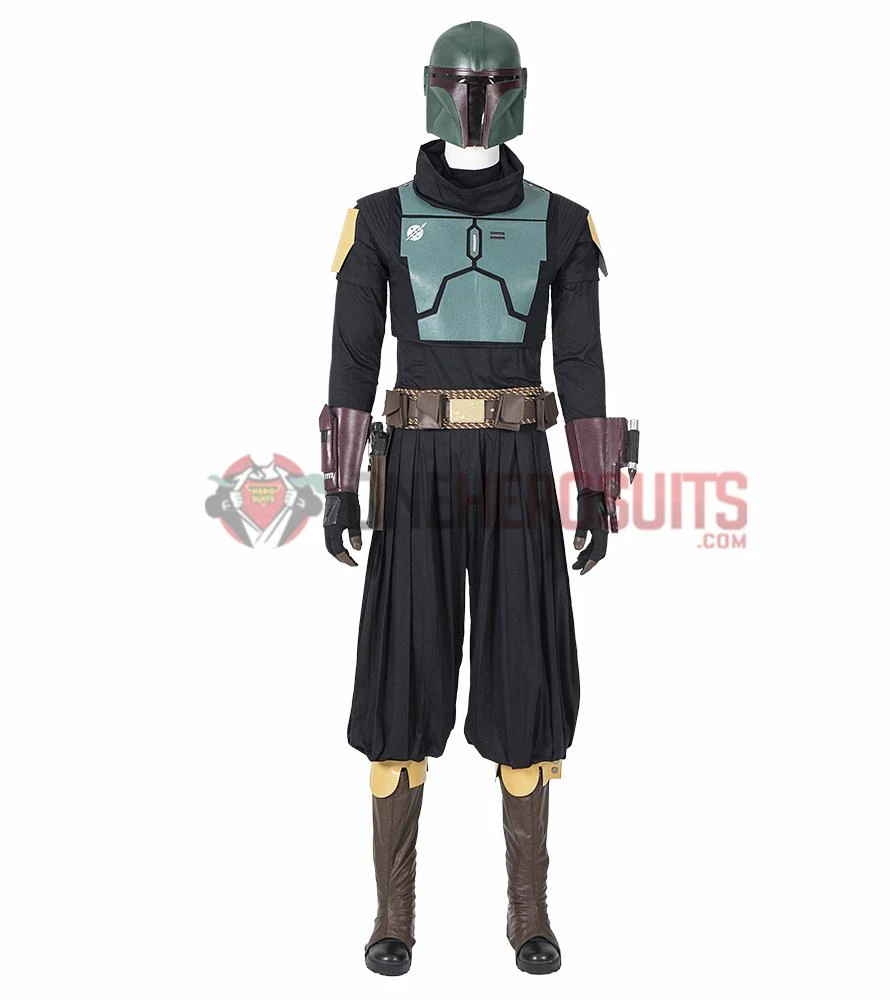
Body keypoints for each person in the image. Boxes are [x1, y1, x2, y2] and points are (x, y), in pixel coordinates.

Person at [320, 21, 632, 976]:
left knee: (524, 674)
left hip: (516, 467)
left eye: (491, 86)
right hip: (414, 465)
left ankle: (529, 915)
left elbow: (581, 361)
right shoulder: (378, 219)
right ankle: (394, 916)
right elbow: (352, 358)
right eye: (463, 85)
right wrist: (339, 482)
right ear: (433, 90)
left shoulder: (563, 223)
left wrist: (597, 485)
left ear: (517, 92)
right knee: (401, 678)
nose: (475, 104)